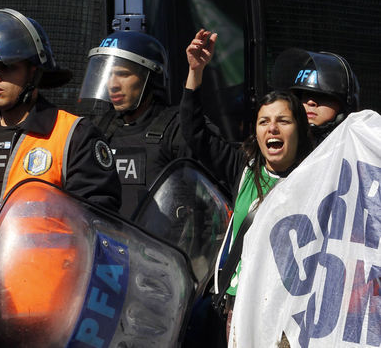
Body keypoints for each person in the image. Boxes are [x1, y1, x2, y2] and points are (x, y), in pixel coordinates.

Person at [0, 8, 121, 270]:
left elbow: (100, 228)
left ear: (34, 72)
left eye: (7, 66)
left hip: (48, 302)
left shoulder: (73, 135)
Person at [180, 29, 313, 347]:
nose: (273, 128)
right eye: (264, 121)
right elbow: (194, 131)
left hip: (291, 315)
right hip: (237, 308)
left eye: (283, 120)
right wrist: (195, 71)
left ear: (299, 130)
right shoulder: (243, 169)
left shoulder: (316, 177)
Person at [79, 30, 206, 218]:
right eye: (108, 74)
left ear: (149, 79)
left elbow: (209, 203)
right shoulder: (99, 129)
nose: (112, 84)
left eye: (122, 74)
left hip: (159, 245)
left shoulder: (178, 129)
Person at [271, 48, 360, 146]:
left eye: (322, 96)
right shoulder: (281, 148)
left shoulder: (357, 151)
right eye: (305, 95)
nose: (310, 102)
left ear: (345, 106)